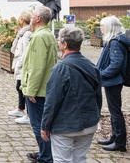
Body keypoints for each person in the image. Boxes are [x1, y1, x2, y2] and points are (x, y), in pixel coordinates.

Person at [40, 27, 102, 162]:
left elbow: (52, 101)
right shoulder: (92, 66)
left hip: (65, 126)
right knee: (80, 159)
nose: (58, 43)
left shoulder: (60, 68)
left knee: (62, 160)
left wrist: (45, 125)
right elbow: (98, 98)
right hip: (89, 123)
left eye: (59, 41)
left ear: (65, 44)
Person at [21, 6, 57, 163]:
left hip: (39, 90)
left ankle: (46, 157)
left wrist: (31, 90)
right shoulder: (48, 34)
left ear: (38, 19)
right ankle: (45, 153)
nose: (31, 17)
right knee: (43, 124)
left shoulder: (39, 37)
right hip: (45, 88)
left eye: (33, 14)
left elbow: (37, 66)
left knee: (39, 125)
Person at [96, 16, 129, 152]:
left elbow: (116, 65)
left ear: (110, 27)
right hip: (112, 81)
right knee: (113, 111)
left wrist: (100, 74)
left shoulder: (115, 42)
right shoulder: (115, 40)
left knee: (115, 112)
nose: (101, 28)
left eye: (103, 26)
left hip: (114, 81)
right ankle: (114, 137)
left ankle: (120, 142)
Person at [7, 11, 32, 125]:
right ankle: (20, 109)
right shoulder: (23, 32)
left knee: (22, 87)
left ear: (22, 20)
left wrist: (21, 63)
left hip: (22, 63)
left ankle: (28, 113)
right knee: (19, 86)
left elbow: (26, 50)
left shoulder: (27, 34)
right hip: (20, 62)